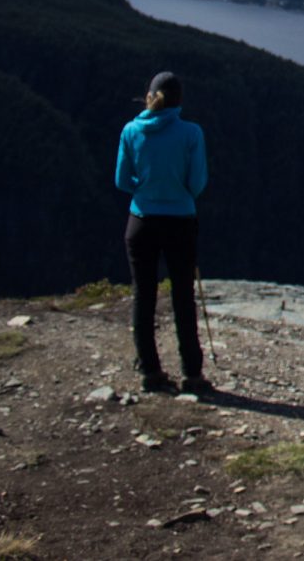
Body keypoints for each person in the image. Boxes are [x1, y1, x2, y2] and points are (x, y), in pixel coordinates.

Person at [114, 70, 210, 394]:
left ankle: (150, 371)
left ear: (150, 96)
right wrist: (177, 193)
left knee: (144, 295)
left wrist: (146, 189)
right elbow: (197, 183)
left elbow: (122, 181)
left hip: (140, 221)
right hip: (180, 221)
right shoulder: (191, 133)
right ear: (180, 100)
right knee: (183, 295)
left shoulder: (130, 131)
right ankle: (192, 374)